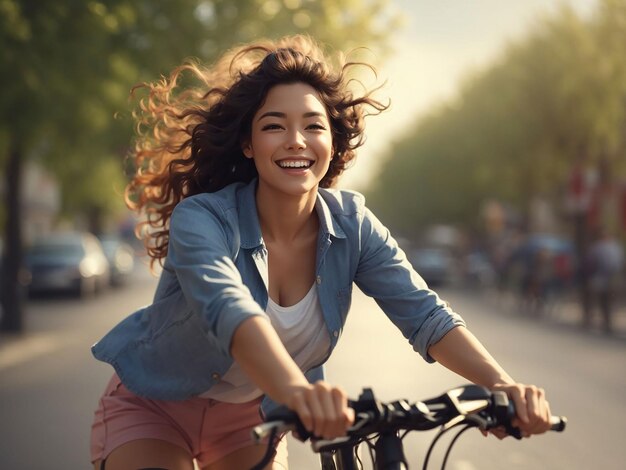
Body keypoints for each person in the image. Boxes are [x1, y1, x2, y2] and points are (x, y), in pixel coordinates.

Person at [90, 35, 553, 470]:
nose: (296, 140)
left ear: (332, 142)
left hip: (252, 421)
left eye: (313, 125)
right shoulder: (204, 218)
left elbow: (425, 315)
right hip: (156, 406)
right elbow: (229, 312)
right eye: (275, 126)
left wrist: (502, 387)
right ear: (249, 144)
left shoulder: (352, 225)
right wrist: (298, 392)